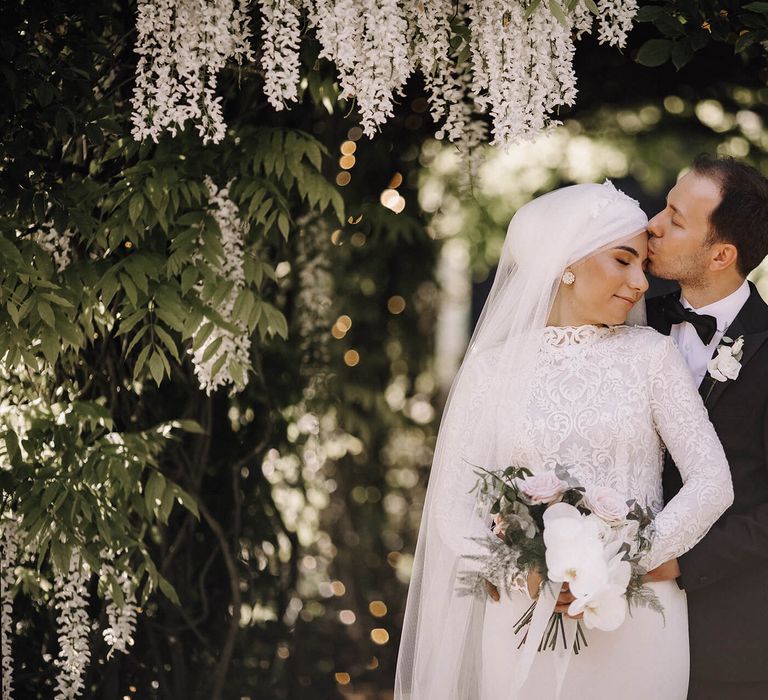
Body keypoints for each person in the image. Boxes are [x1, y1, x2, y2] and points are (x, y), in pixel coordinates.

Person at [394, 181, 733, 700]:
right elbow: (450, 506)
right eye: (623, 260)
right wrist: (513, 571)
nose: (640, 282)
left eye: (643, 265)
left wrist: (624, 563)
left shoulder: (651, 357)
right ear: (566, 262)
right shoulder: (489, 372)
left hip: (637, 618)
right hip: (522, 617)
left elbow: (713, 482)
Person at [644, 155, 768, 700]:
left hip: (731, 636)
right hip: (620, 625)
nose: (652, 224)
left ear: (721, 254)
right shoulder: (632, 321)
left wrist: (681, 563)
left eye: (675, 218)